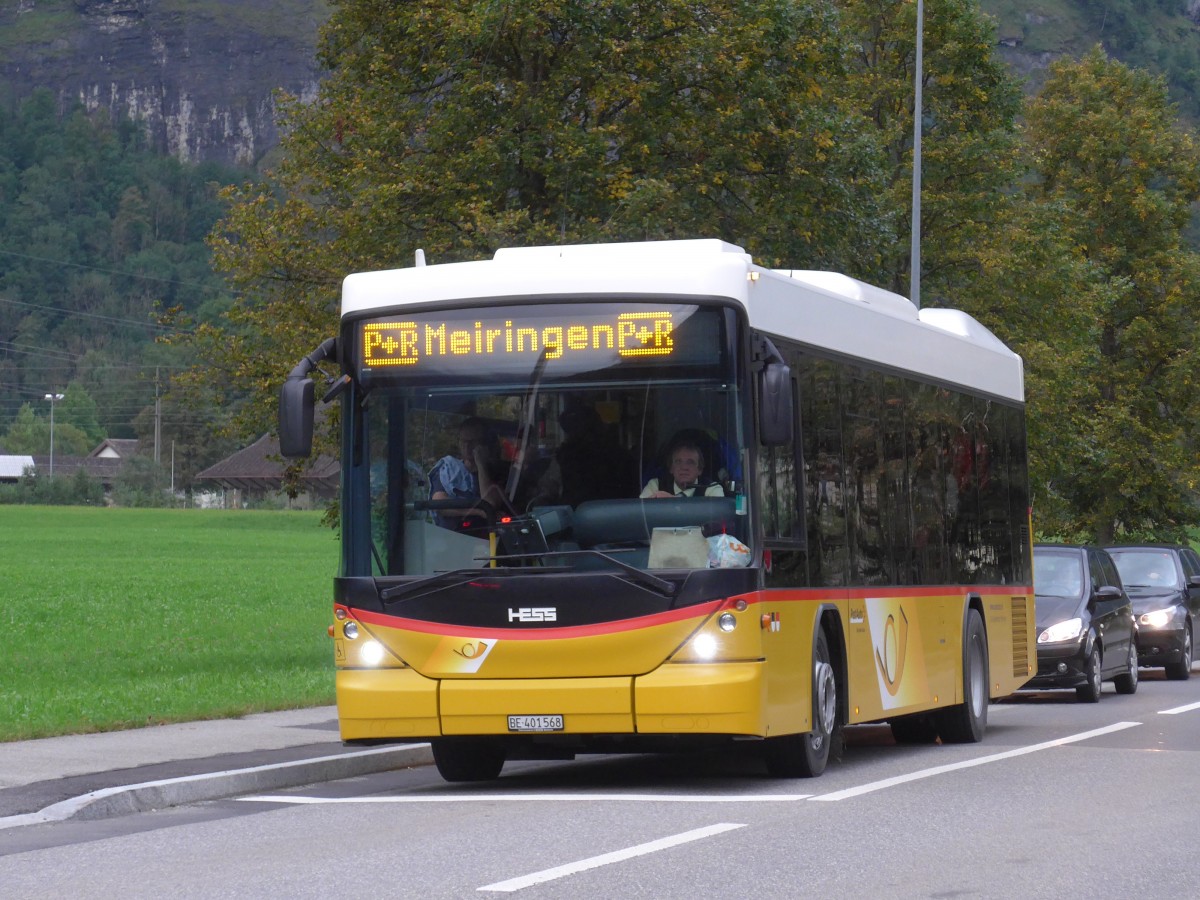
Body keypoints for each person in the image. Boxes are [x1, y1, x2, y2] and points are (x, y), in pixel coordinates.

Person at [527, 403, 636, 509]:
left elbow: (547, 491)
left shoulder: (565, 457)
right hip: (620, 517)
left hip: (577, 520)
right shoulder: (621, 454)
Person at [428, 417, 511, 527]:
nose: (467, 446)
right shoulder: (448, 469)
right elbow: (440, 505)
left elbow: (491, 502)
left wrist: (481, 465)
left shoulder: (498, 471)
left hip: (488, 536)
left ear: (484, 443)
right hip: (451, 536)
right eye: (463, 441)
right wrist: (479, 511)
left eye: (473, 442)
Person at [640, 435, 725, 499]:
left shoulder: (711, 488)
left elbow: (717, 515)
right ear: (671, 468)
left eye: (690, 462)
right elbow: (641, 514)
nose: (684, 467)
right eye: (678, 462)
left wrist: (671, 501)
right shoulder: (655, 485)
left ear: (699, 469)